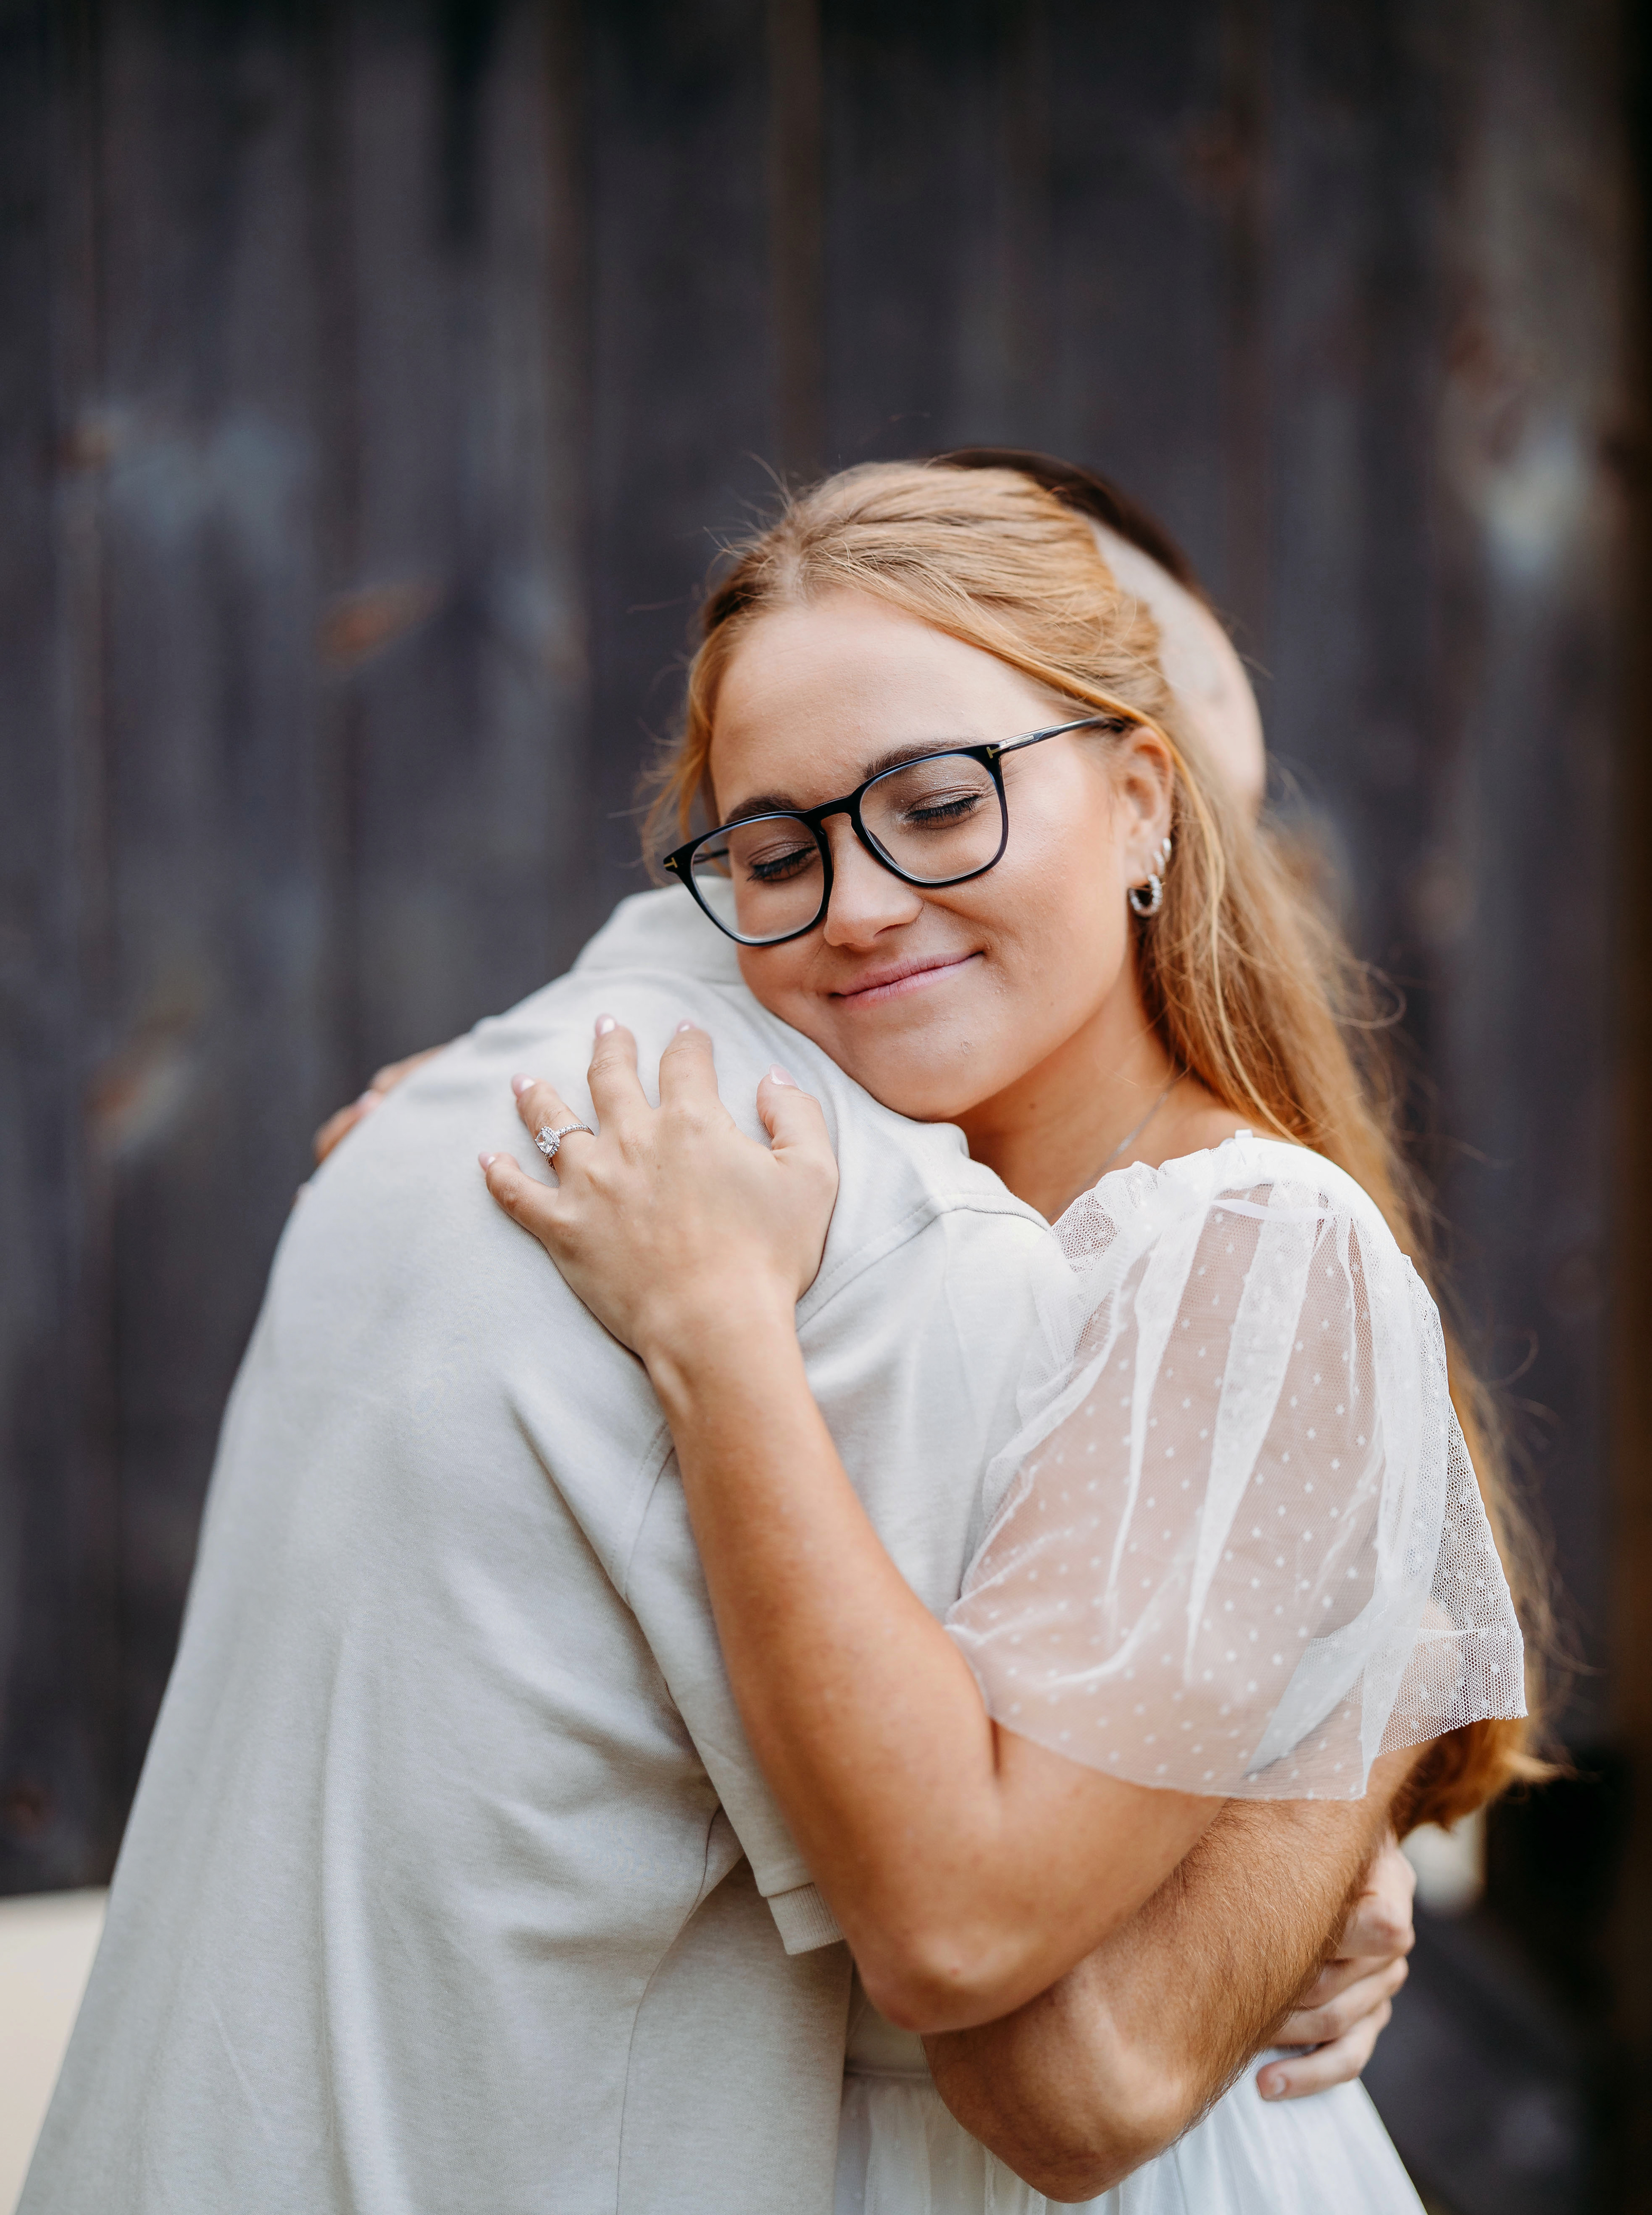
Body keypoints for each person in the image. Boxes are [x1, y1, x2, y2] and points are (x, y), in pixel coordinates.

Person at [467, 458, 1535, 2211]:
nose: (862, 904)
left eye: (942, 807)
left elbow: (1015, 2012)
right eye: (779, 848)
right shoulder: (830, 1206)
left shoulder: (1242, 1236)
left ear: (1141, 805)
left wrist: (722, 1340)